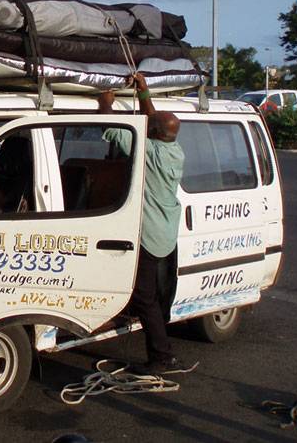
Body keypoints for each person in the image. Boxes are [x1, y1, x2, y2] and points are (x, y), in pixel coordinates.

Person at [99, 72, 195, 374]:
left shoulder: (147, 151)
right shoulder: (172, 149)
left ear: (151, 132)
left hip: (149, 235)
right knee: (157, 291)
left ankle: (161, 357)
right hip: (165, 231)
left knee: (144, 296)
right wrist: (144, 93)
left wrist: (105, 104)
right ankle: (160, 348)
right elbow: (152, 121)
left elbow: (113, 128)